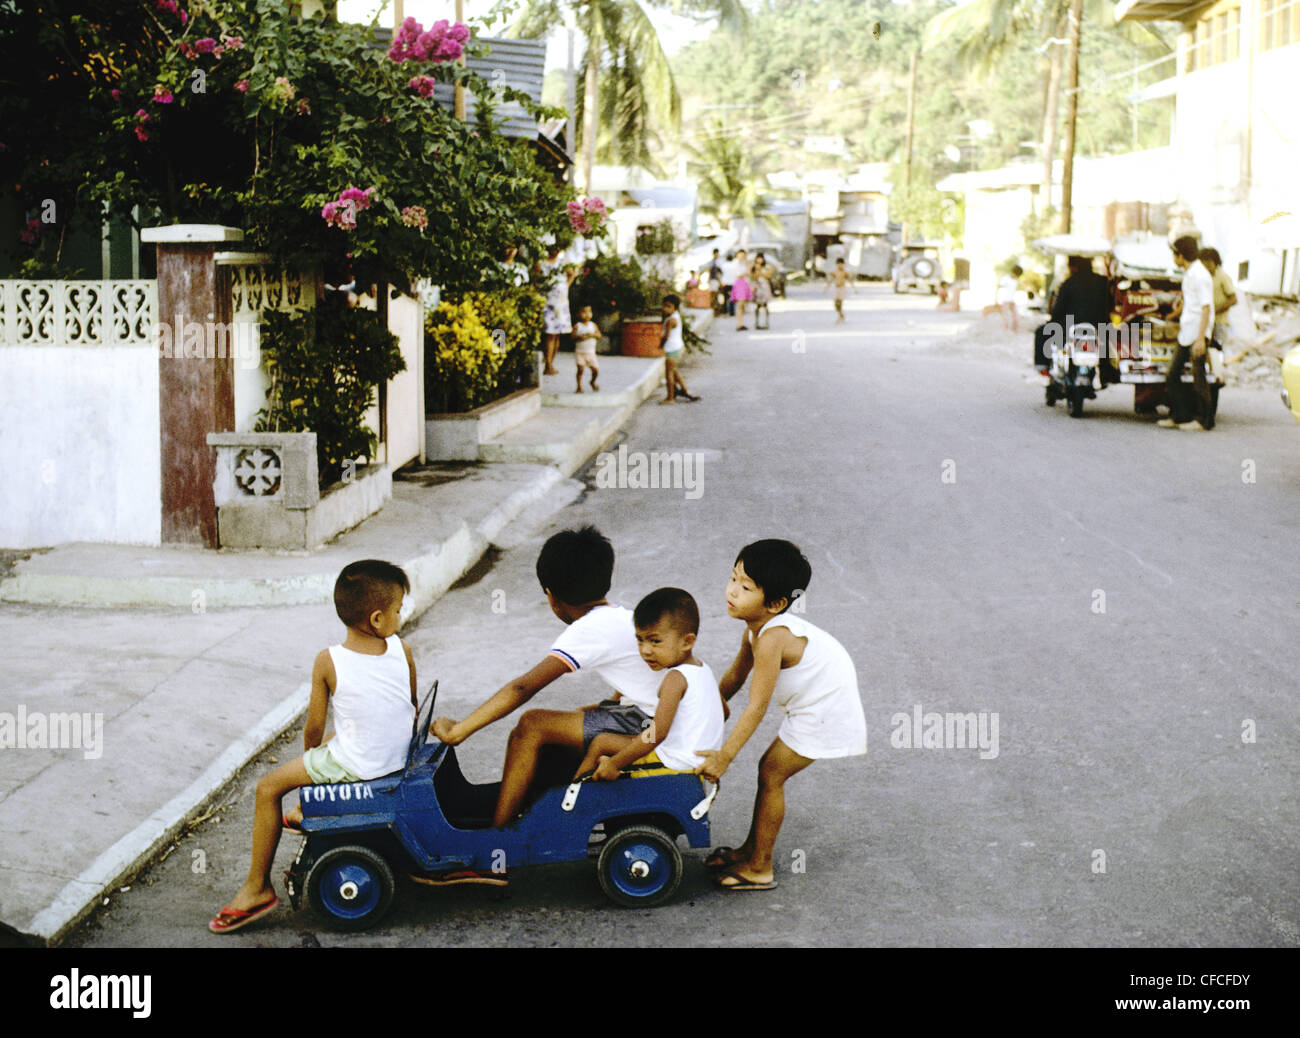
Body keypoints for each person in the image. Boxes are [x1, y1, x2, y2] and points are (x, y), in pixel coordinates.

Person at [431, 527, 668, 872]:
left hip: (645, 725)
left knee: (531, 725)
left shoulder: (586, 630)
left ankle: (496, 838)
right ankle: (518, 806)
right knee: (560, 723)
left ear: (551, 596)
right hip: (647, 715)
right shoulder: (619, 614)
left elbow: (523, 688)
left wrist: (460, 730)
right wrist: (611, 702)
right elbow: (637, 673)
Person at [208, 560, 417, 933]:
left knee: (268, 787)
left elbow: (314, 730)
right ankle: (304, 808)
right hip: (396, 753)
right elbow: (408, 707)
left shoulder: (328, 660)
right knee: (343, 738)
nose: (401, 617)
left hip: (362, 763)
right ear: (377, 620)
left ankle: (257, 887)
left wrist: (310, 777)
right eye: (398, 610)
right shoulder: (403, 650)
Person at [696, 540, 867, 892]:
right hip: (812, 705)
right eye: (733, 579)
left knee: (771, 773)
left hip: (826, 712)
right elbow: (734, 677)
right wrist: (705, 706)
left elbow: (756, 706)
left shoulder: (774, 637)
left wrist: (724, 756)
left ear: (775, 603)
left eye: (745, 588)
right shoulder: (756, 628)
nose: (731, 591)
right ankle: (750, 851)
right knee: (768, 770)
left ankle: (760, 867)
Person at [575, 588, 724, 780]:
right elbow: (723, 711)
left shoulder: (676, 678)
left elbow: (657, 733)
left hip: (672, 765)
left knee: (601, 744)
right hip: (693, 761)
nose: (645, 650)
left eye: (655, 641)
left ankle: (572, 797)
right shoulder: (704, 670)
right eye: (640, 640)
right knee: (607, 742)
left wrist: (614, 763)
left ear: (687, 642)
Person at [1160, 235, 1215, 431]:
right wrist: (1170, 316)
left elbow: (1206, 308)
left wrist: (1201, 338)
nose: (1173, 258)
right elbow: (1189, 304)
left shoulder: (1200, 275)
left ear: (1181, 255)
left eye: (1174, 253)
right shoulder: (1190, 273)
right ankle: (1179, 416)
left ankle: (1204, 420)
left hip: (1197, 334)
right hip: (1187, 331)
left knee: (1198, 377)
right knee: (1172, 374)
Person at [1037, 254, 1111, 375]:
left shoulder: (1068, 283)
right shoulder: (1103, 282)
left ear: (1074, 267)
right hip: (1100, 327)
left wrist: (1052, 320)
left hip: (1070, 326)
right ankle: (1107, 372)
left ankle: (1043, 367)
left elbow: (1058, 310)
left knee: (1040, 332)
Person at [1200, 246, 1237, 372]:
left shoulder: (1222, 276)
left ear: (1216, 262)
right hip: (1205, 321)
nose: (1207, 266)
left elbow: (1233, 299)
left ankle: (1217, 374)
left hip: (1219, 322)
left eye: (1209, 263)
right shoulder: (1202, 277)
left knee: (1216, 349)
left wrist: (1214, 311)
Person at [540, 247, 575, 376]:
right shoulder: (541, 261)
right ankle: (548, 364)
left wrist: (565, 287)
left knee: (557, 334)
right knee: (549, 333)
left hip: (560, 303)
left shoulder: (562, 260)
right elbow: (536, 279)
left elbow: (571, 273)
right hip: (547, 302)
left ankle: (550, 364)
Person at [658, 293, 698, 404]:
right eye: (664, 305)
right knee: (673, 371)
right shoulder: (675, 316)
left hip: (672, 348)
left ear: (675, 308)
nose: (665, 309)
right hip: (677, 347)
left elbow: (666, 336)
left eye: (668, 306)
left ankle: (670, 398)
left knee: (669, 374)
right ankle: (685, 390)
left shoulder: (671, 320)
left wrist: (660, 346)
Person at [572, 303, 601, 394]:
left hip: (591, 353)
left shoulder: (593, 325)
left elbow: (599, 335)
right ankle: (579, 386)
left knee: (595, 370)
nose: (587, 314)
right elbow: (572, 337)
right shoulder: (577, 326)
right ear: (578, 314)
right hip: (580, 353)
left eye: (589, 312)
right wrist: (578, 337)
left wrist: (593, 334)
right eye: (584, 312)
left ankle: (592, 381)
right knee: (580, 369)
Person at [824, 257, 855, 322]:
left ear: (843, 264)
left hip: (842, 288)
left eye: (841, 264)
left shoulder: (845, 272)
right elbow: (831, 280)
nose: (840, 265)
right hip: (836, 288)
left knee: (840, 303)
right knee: (835, 304)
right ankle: (841, 315)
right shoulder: (834, 272)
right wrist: (826, 289)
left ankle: (839, 317)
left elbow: (850, 280)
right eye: (839, 264)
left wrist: (854, 289)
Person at [730, 249, 753, 330]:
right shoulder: (735, 263)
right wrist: (745, 274)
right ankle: (739, 324)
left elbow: (749, 273)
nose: (742, 256)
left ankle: (741, 323)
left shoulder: (744, 263)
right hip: (739, 283)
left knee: (742, 305)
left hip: (744, 283)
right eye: (740, 255)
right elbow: (738, 275)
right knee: (740, 304)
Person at [751, 253, 774, 330]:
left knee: (765, 305)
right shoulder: (754, 267)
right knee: (757, 305)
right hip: (757, 286)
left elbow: (768, 276)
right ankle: (757, 322)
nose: (759, 260)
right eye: (758, 258)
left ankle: (766, 322)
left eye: (761, 258)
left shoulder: (767, 267)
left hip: (764, 286)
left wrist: (760, 271)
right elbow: (753, 277)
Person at [998, 265, 1022, 333]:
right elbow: (999, 288)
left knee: (1016, 316)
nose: (1016, 276)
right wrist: (996, 300)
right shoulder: (1005, 278)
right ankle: (1005, 330)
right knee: (1005, 317)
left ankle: (1015, 330)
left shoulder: (1015, 281)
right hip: (1005, 300)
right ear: (1013, 272)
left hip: (1012, 301)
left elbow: (1013, 291)